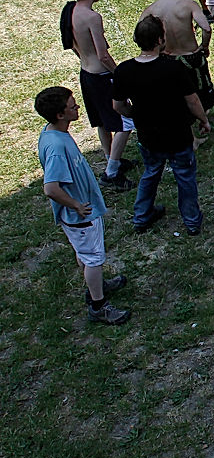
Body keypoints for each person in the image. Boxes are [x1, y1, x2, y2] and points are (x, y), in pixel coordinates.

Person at [35, 86, 131, 325]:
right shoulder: (56, 147)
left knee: (87, 254)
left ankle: (96, 283)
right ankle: (98, 305)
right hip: (81, 216)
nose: (77, 107)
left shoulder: (51, 133)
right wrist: (77, 205)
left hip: (80, 214)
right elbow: (51, 188)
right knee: (93, 258)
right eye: (72, 106)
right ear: (60, 114)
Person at [113, 16, 210, 236]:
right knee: (185, 178)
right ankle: (192, 222)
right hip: (178, 135)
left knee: (151, 173)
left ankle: (142, 215)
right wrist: (203, 120)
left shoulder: (124, 70)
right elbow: (192, 100)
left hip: (148, 136)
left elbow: (118, 106)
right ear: (159, 40)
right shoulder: (172, 68)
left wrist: (136, 114)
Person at [65, 0, 134, 191]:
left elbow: (71, 43)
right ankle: (111, 172)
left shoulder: (70, 11)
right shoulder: (93, 18)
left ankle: (111, 158)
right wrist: (119, 75)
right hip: (101, 76)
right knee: (126, 122)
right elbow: (103, 55)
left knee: (102, 122)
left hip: (86, 74)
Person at [140, 0, 214, 147]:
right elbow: (206, 28)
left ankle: (192, 135)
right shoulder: (188, 5)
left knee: (179, 99)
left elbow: (140, 35)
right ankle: (201, 121)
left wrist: (158, 50)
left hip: (168, 58)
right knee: (201, 94)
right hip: (191, 56)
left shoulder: (152, 10)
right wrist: (204, 46)